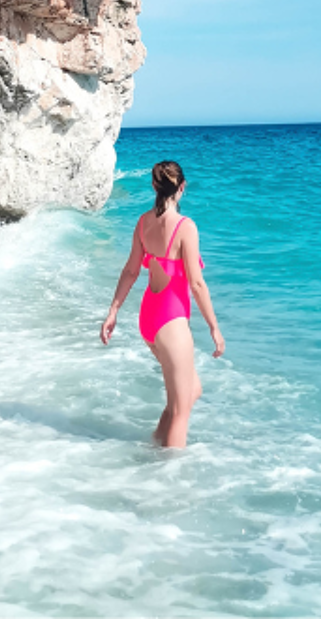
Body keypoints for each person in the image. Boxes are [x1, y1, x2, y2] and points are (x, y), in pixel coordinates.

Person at [99, 160, 224, 447]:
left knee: (191, 391)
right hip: (171, 321)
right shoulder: (185, 227)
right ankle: (170, 480)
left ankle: (155, 445)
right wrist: (214, 328)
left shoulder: (143, 223)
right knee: (181, 410)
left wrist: (113, 312)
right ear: (182, 188)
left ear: (154, 186)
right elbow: (196, 283)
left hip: (149, 318)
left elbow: (131, 271)